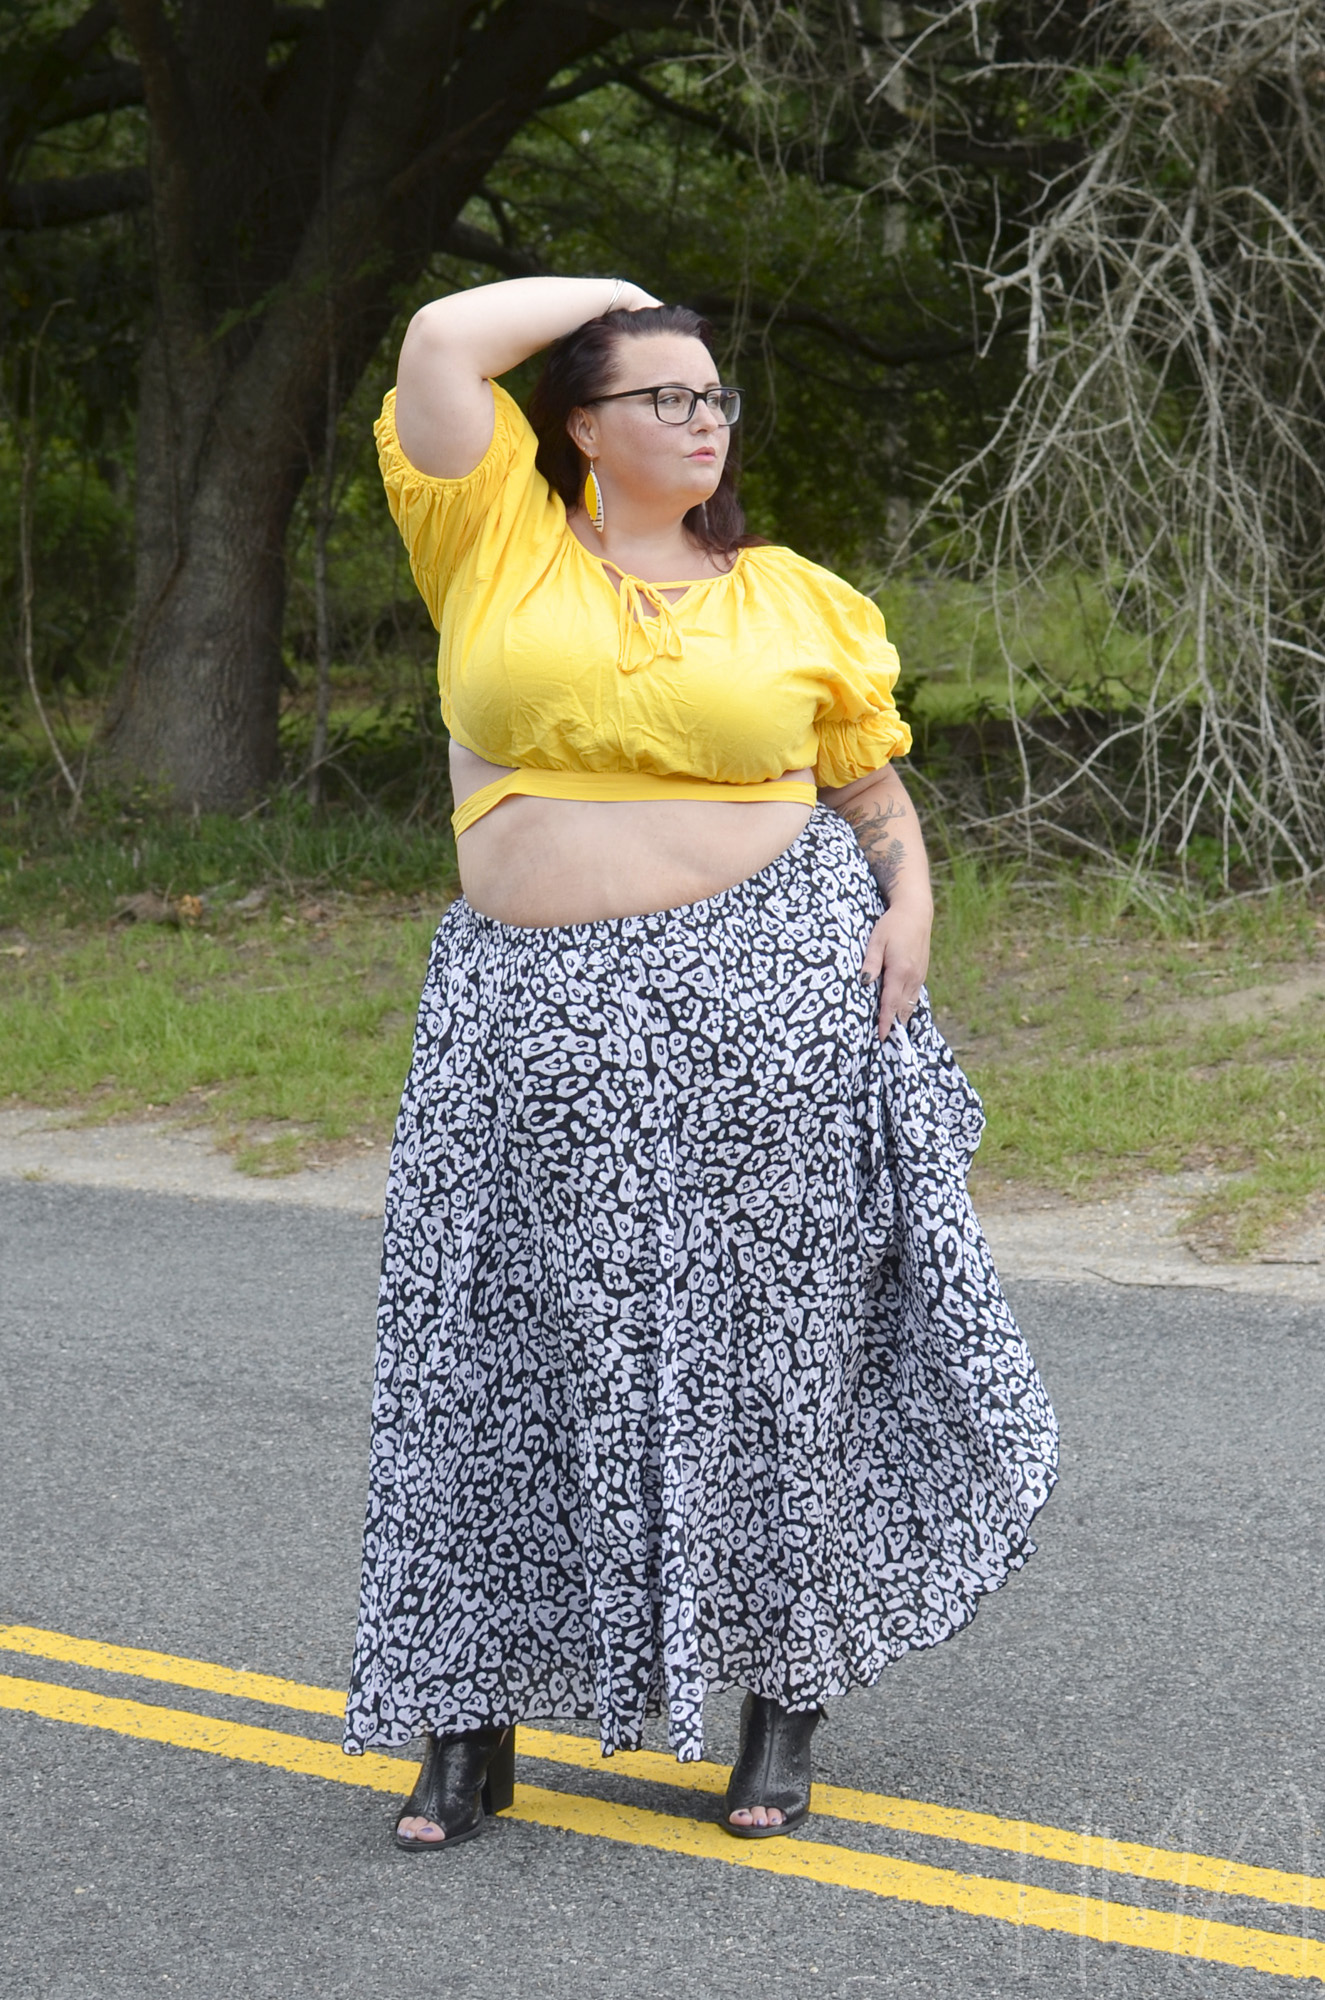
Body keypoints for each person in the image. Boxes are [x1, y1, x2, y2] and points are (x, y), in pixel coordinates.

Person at [342, 276, 1058, 1851]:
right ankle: (464, 1728)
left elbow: (864, 785)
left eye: (715, 395)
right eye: (663, 393)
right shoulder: (493, 540)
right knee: (494, 1357)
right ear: (579, 425)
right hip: (533, 1020)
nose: (702, 417)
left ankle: (779, 1716)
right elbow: (444, 342)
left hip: (774, 1000)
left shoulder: (793, 592)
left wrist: (915, 904)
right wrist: (615, 299)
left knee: (774, 1356)